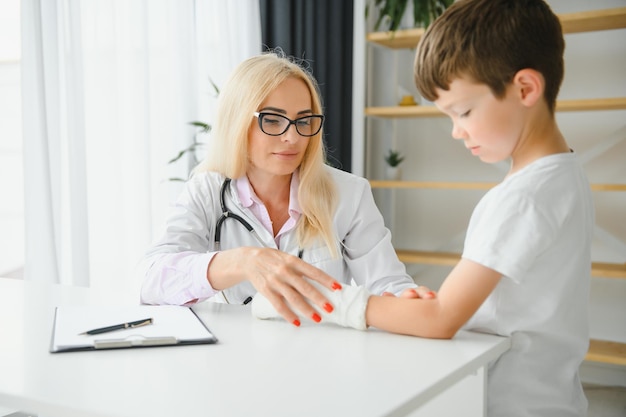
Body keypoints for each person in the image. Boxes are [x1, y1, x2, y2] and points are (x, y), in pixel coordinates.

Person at [253, 1, 594, 415]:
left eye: (464, 111)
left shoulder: (523, 197)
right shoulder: (564, 174)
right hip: (550, 396)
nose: (456, 130)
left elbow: (442, 319)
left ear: (525, 89)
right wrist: (419, 306)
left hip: (511, 404)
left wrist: (328, 302)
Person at [140, 51, 435, 327]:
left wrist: (408, 300)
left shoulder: (349, 193)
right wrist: (243, 261)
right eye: (272, 119)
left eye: (304, 120)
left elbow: (388, 284)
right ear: (238, 121)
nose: (292, 137)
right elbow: (151, 281)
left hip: (322, 359)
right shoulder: (207, 190)